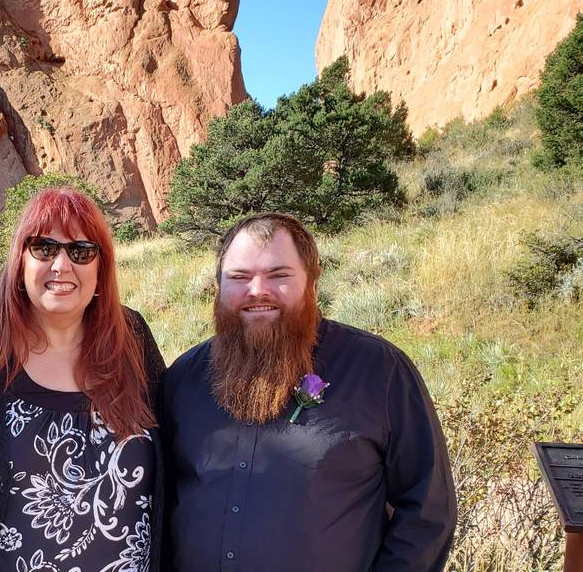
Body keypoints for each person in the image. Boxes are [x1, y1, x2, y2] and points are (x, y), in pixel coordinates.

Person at [162, 213, 457, 571]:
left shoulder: (379, 370)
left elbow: (427, 510)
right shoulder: (183, 378)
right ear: (218, 286)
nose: (257, 291)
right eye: (239, 277)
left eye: (278, 275)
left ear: (311, 281)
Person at [0, 187, 165, 572]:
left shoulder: (131, 338)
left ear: (100, 269)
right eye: (44, 248)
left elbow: (181, 436)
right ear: (20, 261)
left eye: (81, 251)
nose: (61, 265)